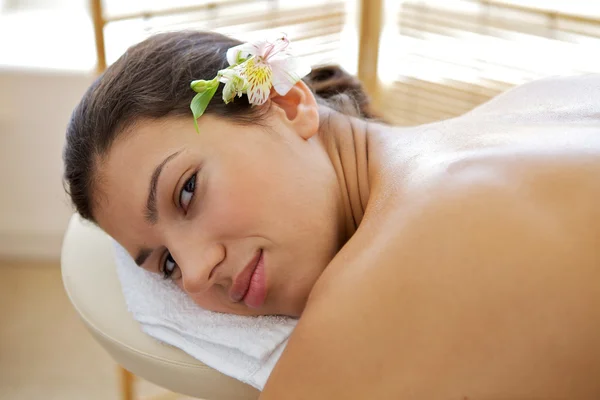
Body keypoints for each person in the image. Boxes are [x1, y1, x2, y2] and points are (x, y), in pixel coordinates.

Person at [63, 31, 600, 399]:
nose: (197, 273)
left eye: (186, 192)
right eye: (168, 268)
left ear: (288, 103)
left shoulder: (372, 297)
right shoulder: (537, 101)